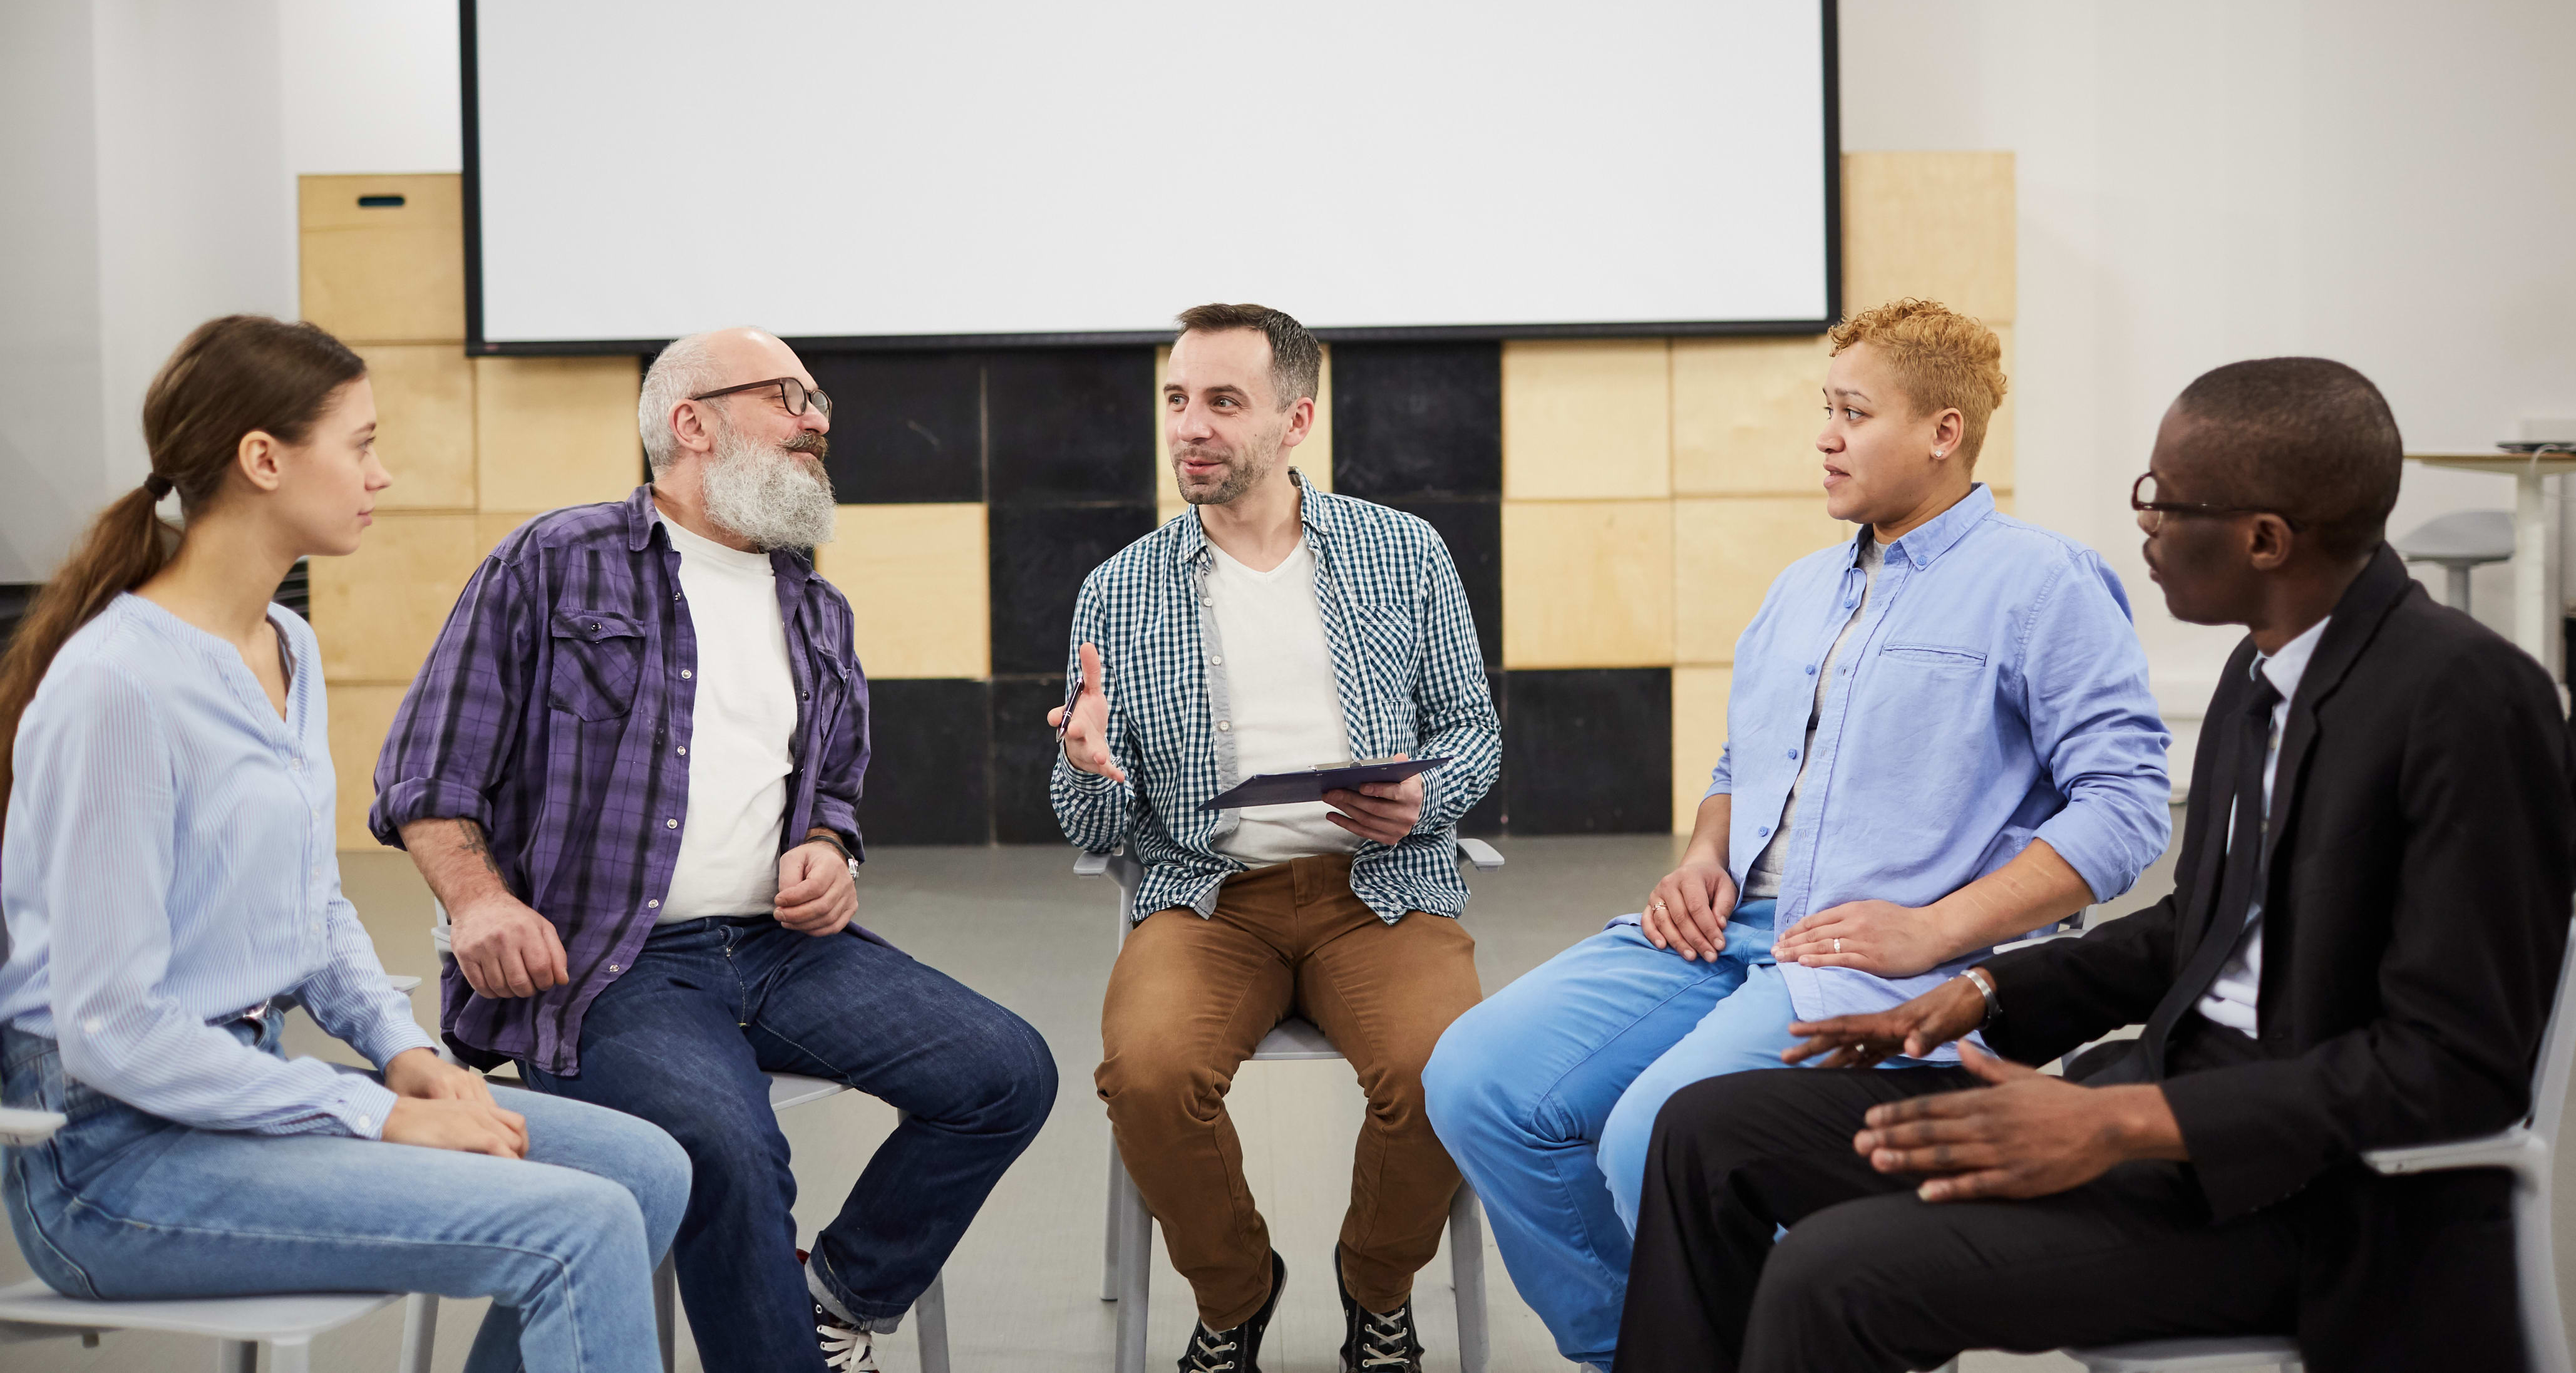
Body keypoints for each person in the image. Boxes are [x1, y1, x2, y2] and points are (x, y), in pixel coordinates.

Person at [1617, 357, 2576, 1373]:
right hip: (2161, 1124)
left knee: (1833, 1273)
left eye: (2165, 502)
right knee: (1706, 1133)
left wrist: (2124, 1123)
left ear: (2265, 540)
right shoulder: (2262, 671)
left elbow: (2459, 1069)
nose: (2146, 526)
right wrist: (1979, 993)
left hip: (2313, 1202)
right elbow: (2199, 931)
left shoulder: (2470, 702)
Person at [1423, 298, 2172, 1370]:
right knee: (1478, 1078)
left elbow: (2128, 806)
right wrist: (1698, 860)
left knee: (1652, 1138)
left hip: (1869, 962)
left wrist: (1934, 932)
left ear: (1943, 432)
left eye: (1854, 412)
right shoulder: (1800, 590)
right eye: (1826, 408)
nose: (1825, 435)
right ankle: (1635, 1351)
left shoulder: (2042, 584)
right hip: (1729, 934)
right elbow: (1742, 769)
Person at [0, 316, 689, 1373]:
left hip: (242, 1095)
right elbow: (110, 1029)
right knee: (578, 1229)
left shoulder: (288, 644)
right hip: (109, 1163)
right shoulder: (118, 688)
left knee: (647, 1168)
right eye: (360, 444)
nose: (383, 472)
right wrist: (363, 1113)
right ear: (263, 459)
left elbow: (313, 905)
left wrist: (404, 1056)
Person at [370, 326, 1057, 1373]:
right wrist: (479, 903)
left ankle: (831, 1297)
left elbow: (831, 791)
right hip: (613, 964)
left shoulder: (818, 609)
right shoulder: (557, 562)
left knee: (1009, 1073)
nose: (818, 417)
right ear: (691, 423)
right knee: (727, 1150)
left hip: (781, 952)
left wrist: (830, 851)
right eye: (789, 395)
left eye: (820, 398)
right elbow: (425, 771)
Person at [1051, 302, 1502, 1373]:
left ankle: (1375, 1290)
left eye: (1222, 402)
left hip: (1379, 887)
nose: (1189, 427)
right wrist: (1085, 767)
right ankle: (1238, 1294)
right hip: (1209, 898)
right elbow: (1093, 825)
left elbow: (1473, 734)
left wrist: (1424, 796)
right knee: (1150, 1074)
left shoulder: (1403, 554)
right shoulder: (1118, 590)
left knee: (1449, 1070)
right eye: (1175, 400)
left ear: (1295, 420)